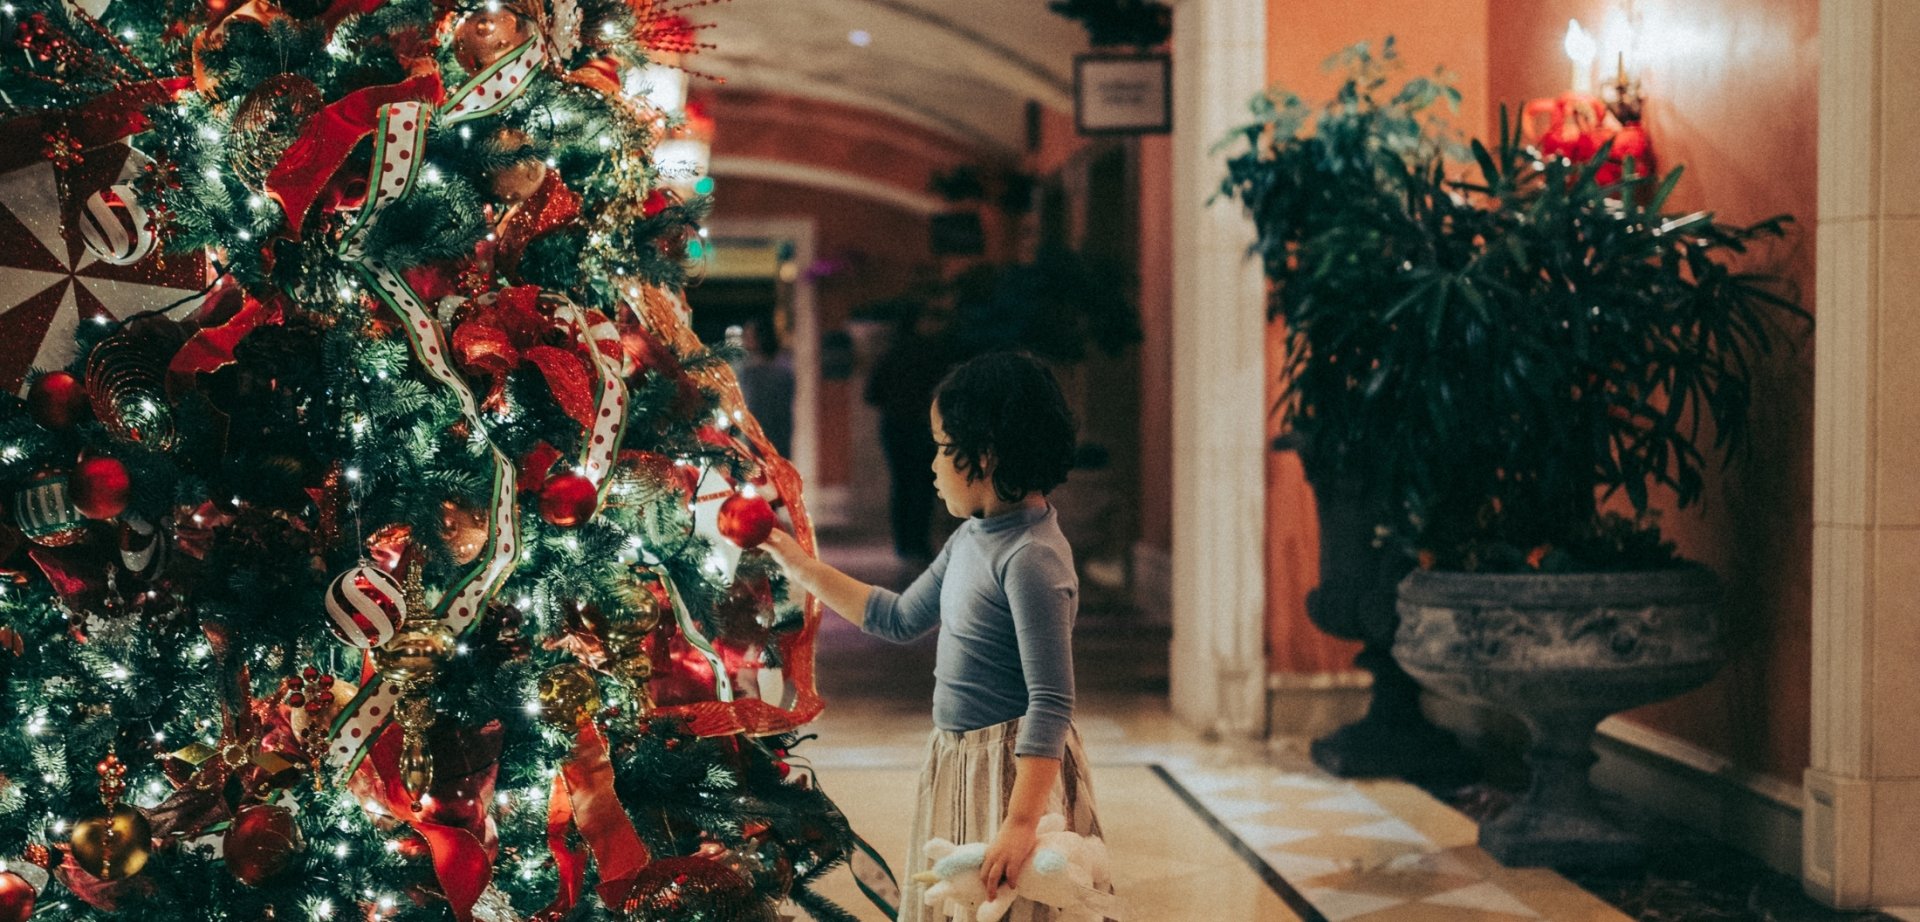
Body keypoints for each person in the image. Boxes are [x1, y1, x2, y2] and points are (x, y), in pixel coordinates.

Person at [764, 352, 1113, 922]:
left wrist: (1021, 825)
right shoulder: (972, 536)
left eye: (941, 446)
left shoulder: (1031, 558)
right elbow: (897, 617)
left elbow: (1050, 702)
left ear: (986, 454)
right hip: (959, 761)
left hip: (1011, 774)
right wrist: (803, 568)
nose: (931, 464)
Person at [864, 302, 960, 562]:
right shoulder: (935, 353)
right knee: (924, 485)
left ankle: (904, 542)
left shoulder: (892, 354)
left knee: (902, 483)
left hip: (894, 426)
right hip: (923, 426)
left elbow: (872, 394)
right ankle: (919, 542)